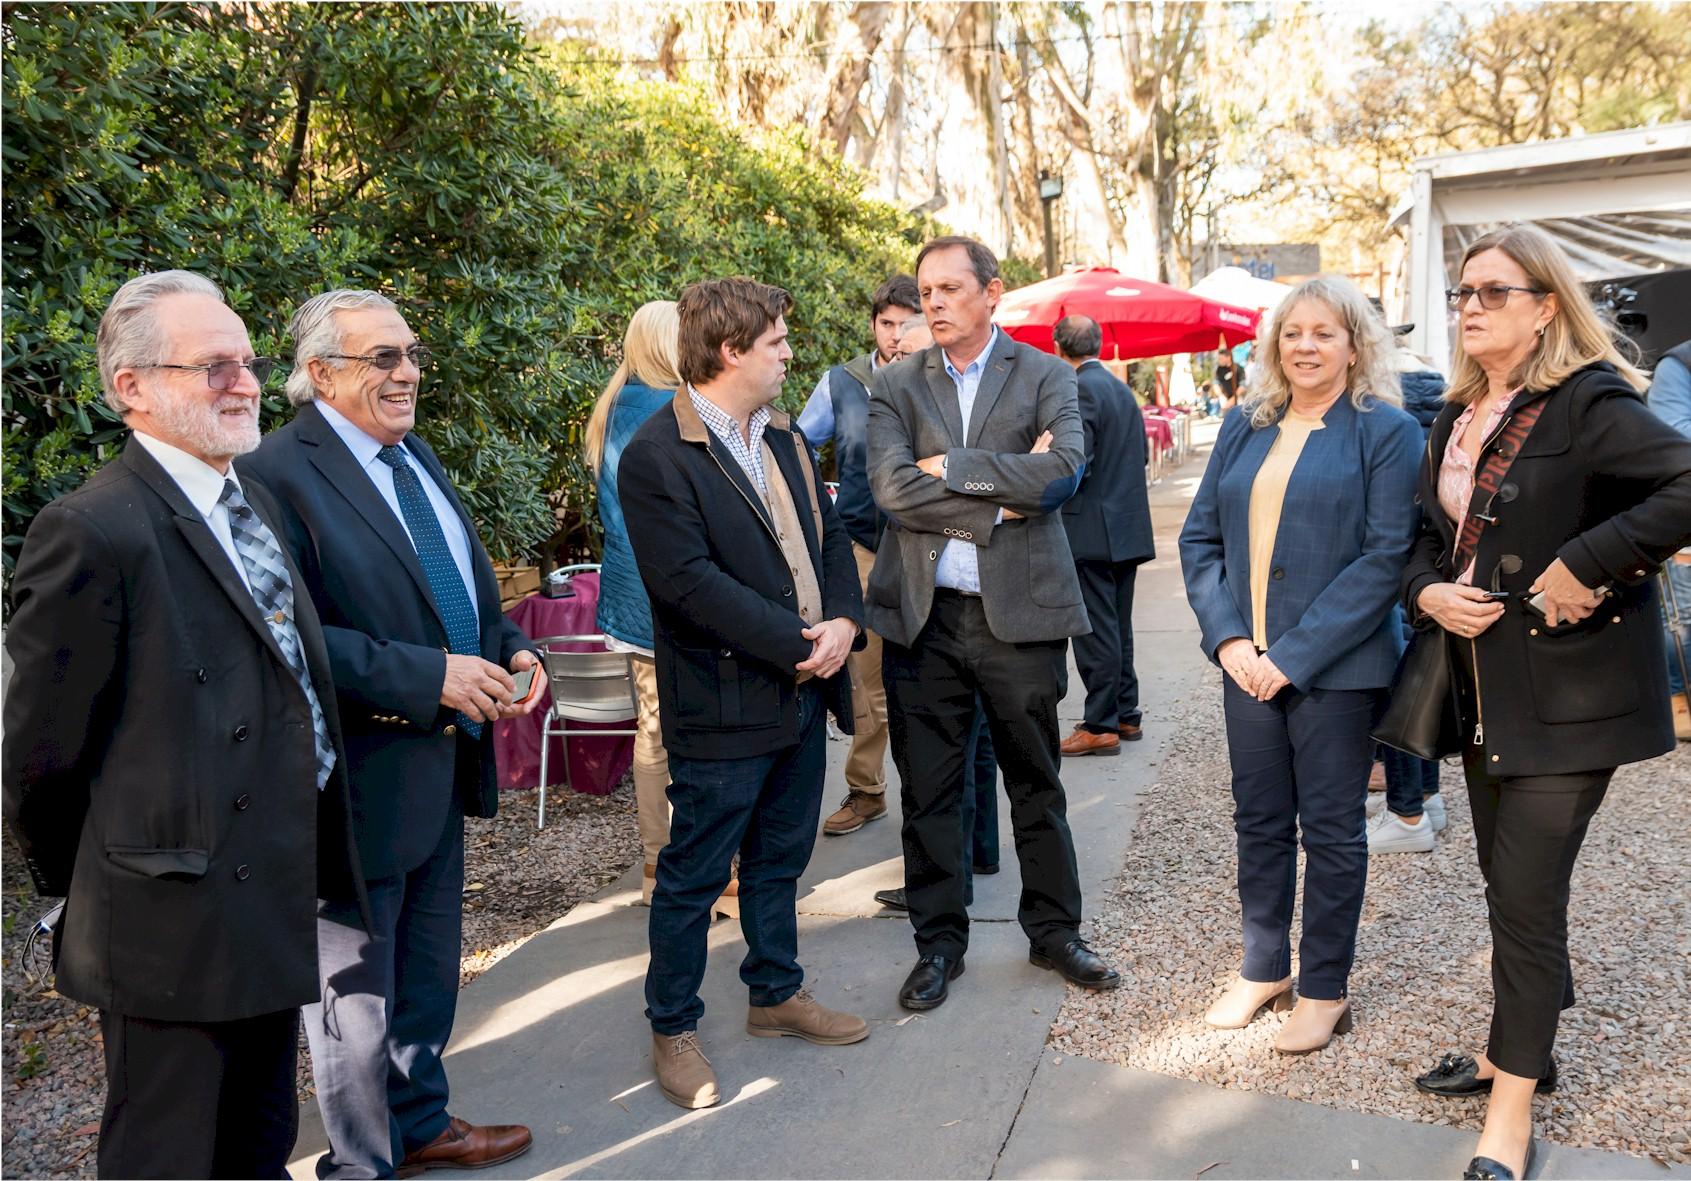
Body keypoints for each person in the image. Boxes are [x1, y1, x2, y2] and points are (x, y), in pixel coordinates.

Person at [2, 271, 363, 1179]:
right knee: (167, 1150)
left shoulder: (252, 501)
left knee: (256, 1137)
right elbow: (37, 749)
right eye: (213, 367)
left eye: (245, 362)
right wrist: (103, 880)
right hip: (168, 913)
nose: (244, 383)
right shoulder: (91, 529)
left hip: (270, 883)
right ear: (133, 389)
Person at [1399, 226, 1691, 1181]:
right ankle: (1521, 1045)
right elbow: (1421, 539)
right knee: (1505, 878)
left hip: (1572, 694)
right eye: (1462, 292)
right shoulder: (1454, 414)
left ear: (1544, 306)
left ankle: (1511, 1110)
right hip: (1485, 693)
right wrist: (1425, 593)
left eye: (1492, 291)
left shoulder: (1590, 402)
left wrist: (1589, 562)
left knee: (1524, 895)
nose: (1469, 306)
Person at [240, 289, 541, 1179]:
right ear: (321, 373)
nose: (407, 371)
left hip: (438, 766)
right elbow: (283, 632)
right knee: (354, 1003)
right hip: (357, 777)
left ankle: (419, 1123)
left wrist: (514, 647)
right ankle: (362, 1163)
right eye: (383, 357)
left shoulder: (413, 455)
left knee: (423, 974)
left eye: (410, 352)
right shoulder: (274, 472)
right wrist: (429, 678)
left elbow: (457, 587)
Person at [618, 276, 869, 1110]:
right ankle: (672, 1024)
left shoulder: (786, 436)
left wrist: (842, 621)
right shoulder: (657, 454)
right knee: (692, 874)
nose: (789, 353)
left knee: (778, 858)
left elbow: (829, 538)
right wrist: (798, 645)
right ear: (731, 351)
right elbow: (686, 585)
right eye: (776, 342)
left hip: (802, 692)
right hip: (725, 703)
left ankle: (775, 994)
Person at [867, 234, 1118, 1012]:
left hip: (1022, 618)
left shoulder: (1045, 373)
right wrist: (1003, 499)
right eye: (924, 290)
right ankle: (938, 944)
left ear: (991, 292)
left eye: (947, 289)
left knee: (1035, 784)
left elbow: (1063, 472)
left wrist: (954, 469)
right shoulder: (895, 385)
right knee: (931, 794)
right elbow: (890, 490)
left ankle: (1053, 932)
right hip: (925, 618)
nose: (932, 303)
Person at [1179, 275, 1421, 1054]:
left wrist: (1290, 656)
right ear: (1271, 345)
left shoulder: (1386, 430)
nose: (1305, 346)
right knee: (1256, 819)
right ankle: (1262, 968)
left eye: (1323, 332)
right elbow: (1199, 541)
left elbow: (1385, 558)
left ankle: (1322, 986)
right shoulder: (1245, 425)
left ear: (1355, 345)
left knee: (1330, 828)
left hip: (1335, 669)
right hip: (1243, 663)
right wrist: (1229, 642)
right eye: (1291, 333)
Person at [584, 301, 739, 917]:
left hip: (625, 591)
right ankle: (708, 872)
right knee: (700, 731)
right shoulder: (670, 411)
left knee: (652, 731)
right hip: (673, 591)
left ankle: (655, 859)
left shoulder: (612, 406)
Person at [871, 315, 1003, 912]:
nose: (901, 344)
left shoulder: (997, 391)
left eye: (913, 335)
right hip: (916, 595)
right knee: (935, 764)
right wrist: (988, 509)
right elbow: (893, 493)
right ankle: (957, 876)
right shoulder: (884, 391)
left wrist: (947, 470)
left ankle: (970, 862)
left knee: (967, 754)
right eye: (891, 328)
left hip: (986, 606)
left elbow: (1041, 478)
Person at [799, 274, 920, 838]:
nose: (897, 335)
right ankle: (867, 789)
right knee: (865, 675)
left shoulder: (939, 376)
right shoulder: (841, 381)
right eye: (887, 323)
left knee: (930, 671)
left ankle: (932, 795)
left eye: (907, 323)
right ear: (873, 325)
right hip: (862, 548)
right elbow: (796, 447)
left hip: (931, 544)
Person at [1053, 314, 1155, 757]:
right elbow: (1142, 453)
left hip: (1091, 528)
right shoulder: (1119, 387)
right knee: (1118, 626)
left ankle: (1100, 723)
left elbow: (1077, 461)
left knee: (1094, 629)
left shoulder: (1079, 388)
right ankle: (1124, 713)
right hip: (1126, 525)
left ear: (1058, 347)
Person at [1370, 325, 1453, 853]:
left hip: (1393, 554)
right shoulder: (1442, 386)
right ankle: (1427, 795)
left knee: (1395, 684)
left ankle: (1407, 815)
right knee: (1419, 673)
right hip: (1432, 550)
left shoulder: (1379, 403)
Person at [1645, 339, 1691, 740]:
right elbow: (1674, 435)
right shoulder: (1679, 364)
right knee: (1683, 618)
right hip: (1685, 518)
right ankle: (1678, 699)